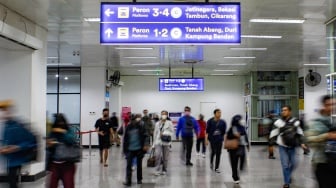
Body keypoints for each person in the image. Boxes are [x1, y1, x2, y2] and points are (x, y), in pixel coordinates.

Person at [0, 100, 36, 188]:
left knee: (13, 183)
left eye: (5, 111)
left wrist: (17, 147)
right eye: (2, 111)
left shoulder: (19, 125)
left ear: (10, 111)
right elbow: (6, 142)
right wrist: (4, 148)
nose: (3, 113)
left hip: (17, 161)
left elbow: (31, 142)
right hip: (9, 160)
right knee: (12, 182)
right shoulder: (7, 125)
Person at [269, 105, 306, 188]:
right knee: (285, 165)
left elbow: (300, 132)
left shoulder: (296, 121)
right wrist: (271, 144)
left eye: (285, 110)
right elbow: (273, 133)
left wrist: (302, 143)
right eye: (282, 110)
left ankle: (288, 174)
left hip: (293, 146)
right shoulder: (278, 122)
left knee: (294, 163)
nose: (283, 112)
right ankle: (286, 183)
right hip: (282, 146)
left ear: (290, 111)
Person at [305, 95, 336, 188]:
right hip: (322, 163)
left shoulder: (332, 120)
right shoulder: (316, 122)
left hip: (333, 162)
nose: (331, 107)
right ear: (323, 105)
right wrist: (327, 136)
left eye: (333, 104)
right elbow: (309, 140)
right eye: (328, 104)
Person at [46, 114, 77, 188]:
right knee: (52, 185)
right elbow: (49, 147)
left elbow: (71, 141)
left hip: (68, 164)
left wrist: (63, 132)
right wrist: (50, 144)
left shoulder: (69, 130)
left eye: (61, 123)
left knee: (68, 185)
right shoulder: (53, 132)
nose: (60, 125)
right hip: (55, 164)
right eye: (58, 124)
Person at [123, 114, 150, 186]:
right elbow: (125, 139)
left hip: (139, 149)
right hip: (130, 149)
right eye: (132, 120)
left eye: (134, 120)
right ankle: (128, 181)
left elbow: (146, 136)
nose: (133, 121)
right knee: (129, 165)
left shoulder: (141, 127)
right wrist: (124, 150)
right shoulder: (128, 127)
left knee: (139, 165)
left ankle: (139, 179)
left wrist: (146, 144)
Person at [226, 115, 250, 184]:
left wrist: (248, 145)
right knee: (234, 163)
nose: (241, 121)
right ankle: (235, 176)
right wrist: (235, 135)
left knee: (243, 158)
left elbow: (245, 135)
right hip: (233, 148)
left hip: (241, 146)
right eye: (240, 119)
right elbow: (228, 137)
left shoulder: (242, 127)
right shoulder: (232, 128)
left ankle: (240, 168)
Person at [152, 110, 174, 175]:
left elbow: (172, 132)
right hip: (158, 141)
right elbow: (155, 133)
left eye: (165, 114)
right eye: (162, 114)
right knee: (158, 155)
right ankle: (157, 170)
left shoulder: (169, 123)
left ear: (167, 115)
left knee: (165, 157)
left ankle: (164, 169)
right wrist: (153, 144)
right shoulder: (157, 123)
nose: (163, 115)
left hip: (166, 142)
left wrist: (164, 133)